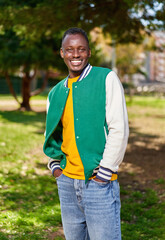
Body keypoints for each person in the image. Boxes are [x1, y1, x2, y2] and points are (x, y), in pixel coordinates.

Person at [43, 27, 129, 240]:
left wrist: (105, 172)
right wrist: (55, 167)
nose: (75, 54)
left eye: (81, 49)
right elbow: (52, 133)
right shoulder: (55, 92)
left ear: (89, 52)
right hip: (66, 183)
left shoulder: (106, 78)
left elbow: (119, 128)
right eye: (69, 49)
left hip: (97, 182)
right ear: (62, 53)